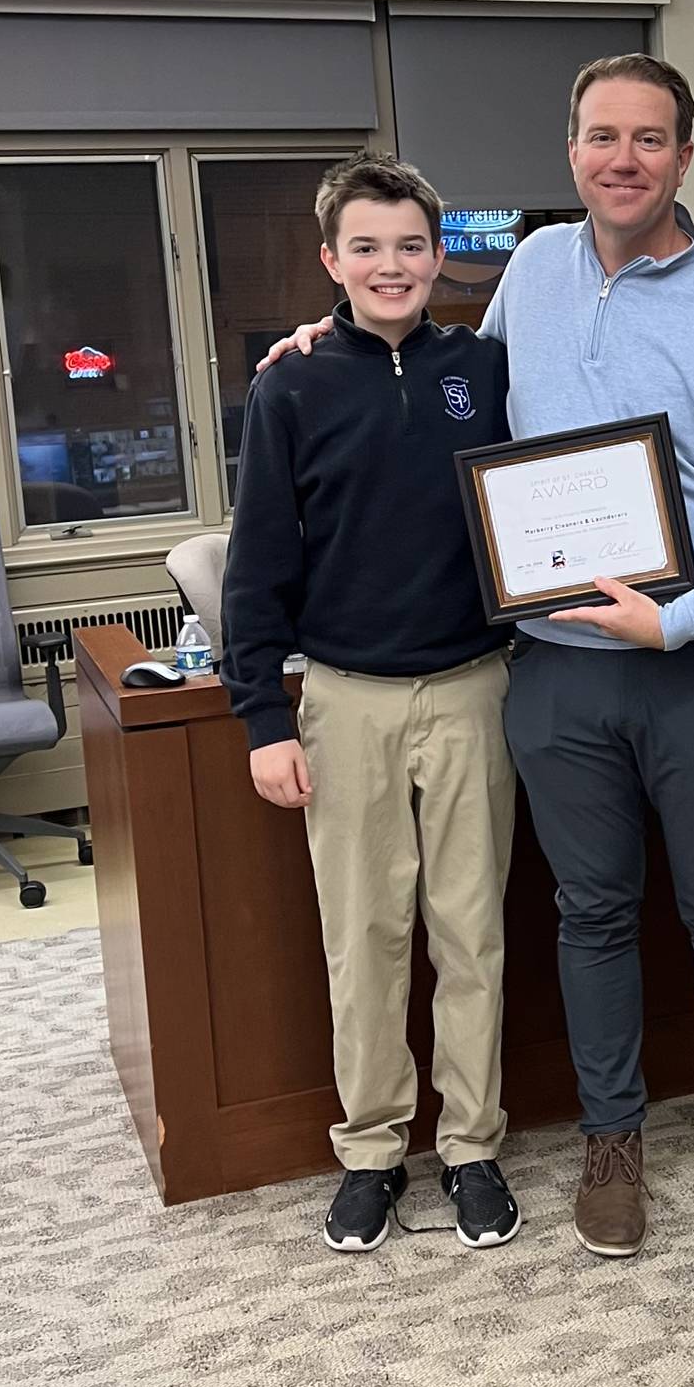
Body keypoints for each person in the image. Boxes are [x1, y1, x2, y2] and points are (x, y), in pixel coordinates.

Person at [262, 56, 694, 1261]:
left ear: (683, 153)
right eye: (603, 135)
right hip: (556, 665)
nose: (625, 158)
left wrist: (687, 613)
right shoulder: (534, 273)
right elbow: (466, 399)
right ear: (570, 150)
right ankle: (611, 1142)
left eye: (651, 137)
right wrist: (338, 337)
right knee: (591, 913)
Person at [221, 153, 522, 1256]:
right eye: (366, 248)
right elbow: (257, 565)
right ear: (329, 262)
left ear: (438, 257)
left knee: (472, 931)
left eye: (409, 246)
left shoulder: (482, 368)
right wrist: (261, 715)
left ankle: (475, 1146)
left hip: (472, 687)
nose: (390, 266)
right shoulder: (291, 383)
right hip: (343, 699)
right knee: (365, 937)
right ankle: (373, 1151)